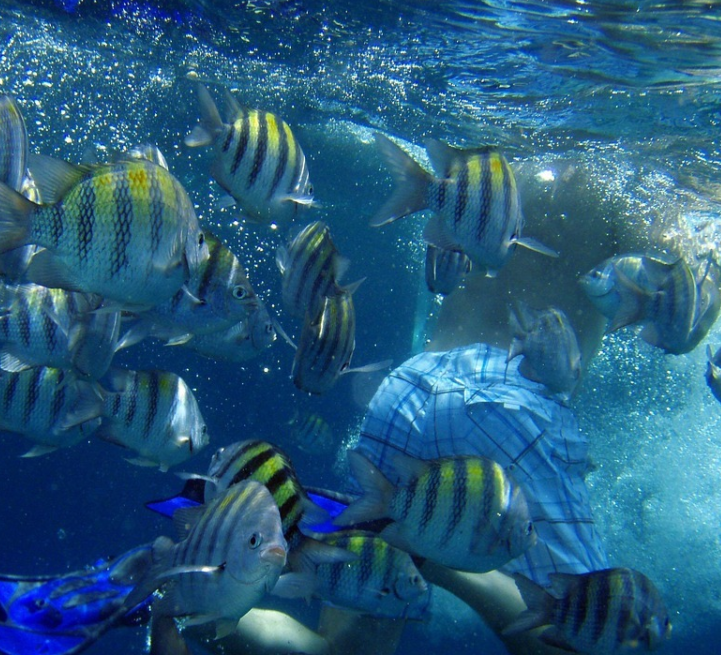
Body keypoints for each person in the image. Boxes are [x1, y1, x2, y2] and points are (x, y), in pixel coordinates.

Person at [191, 154, 669, 655]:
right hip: (513, 406)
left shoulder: (496, 152)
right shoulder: (630, 169)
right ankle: (435, 556)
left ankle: (189, 593)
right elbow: (681, 272)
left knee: (346, 647)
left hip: (414, 386)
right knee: (581, 628)